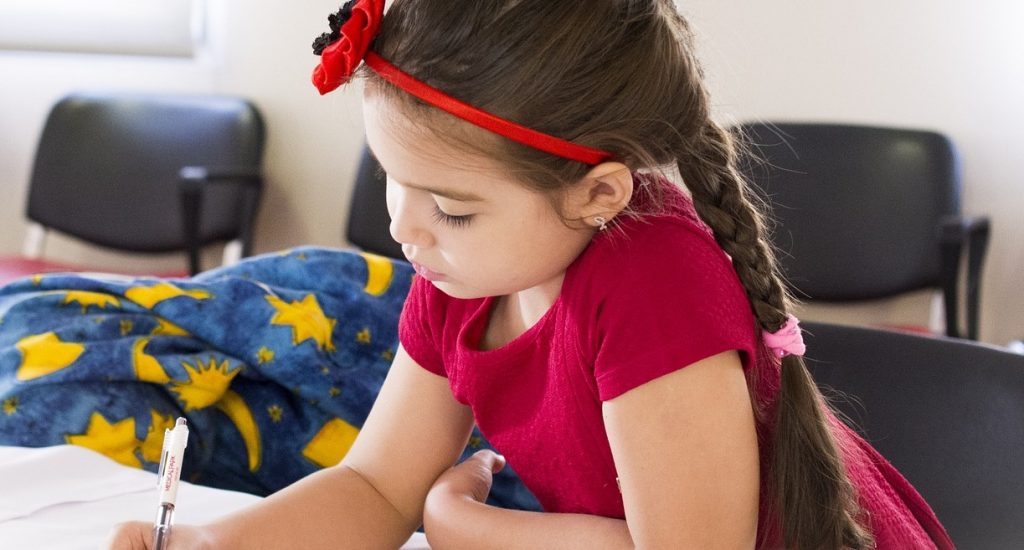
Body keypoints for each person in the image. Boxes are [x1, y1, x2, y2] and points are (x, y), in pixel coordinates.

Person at [107, 1, 954, 548]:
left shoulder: (654, 277)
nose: (402, 227)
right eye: (391, 178)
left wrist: (460, 523)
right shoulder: (462, 278)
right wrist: (213, 544)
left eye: (452, 206)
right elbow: (373, 486)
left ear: (598, 195)